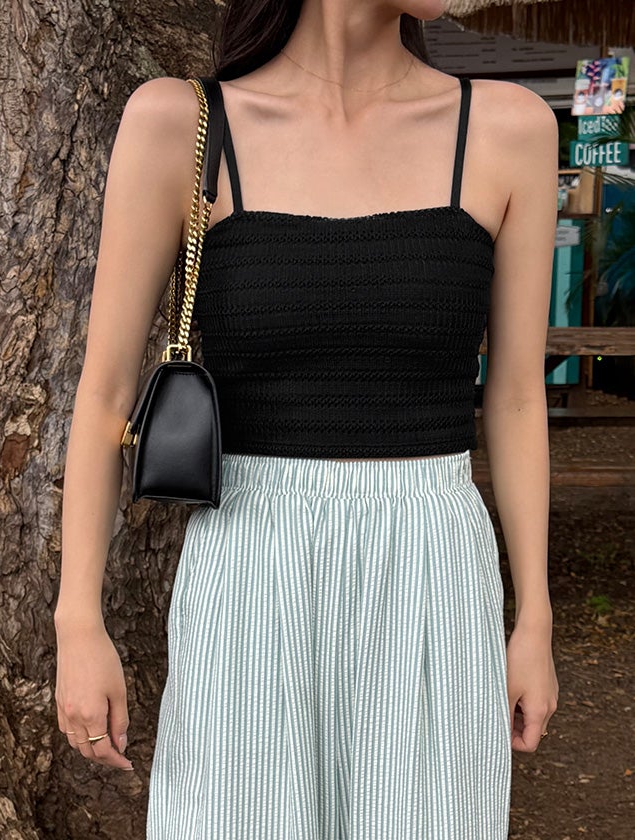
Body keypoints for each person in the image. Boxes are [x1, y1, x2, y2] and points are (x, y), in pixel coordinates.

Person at [54, 1, 560, 837]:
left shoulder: (510, 129)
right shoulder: (180, 125)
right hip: (248, 561)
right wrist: (78, 620)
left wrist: (533, 618)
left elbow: (513, 396)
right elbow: (105, 395)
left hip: (432, 562)